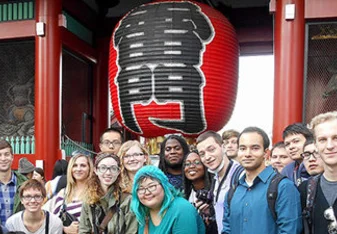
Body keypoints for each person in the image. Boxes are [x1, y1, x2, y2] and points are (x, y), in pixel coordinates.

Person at [222, 126, 302, 234]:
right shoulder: (232, 191)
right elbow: (227, 230)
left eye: (255, 148)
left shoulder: (283, 187)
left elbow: (290, 230)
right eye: (242, 148)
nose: (247, 154)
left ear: (266, 153)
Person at [131, 165, 205, 234]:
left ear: (164, 186)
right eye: (140, 189)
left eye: (151, 186)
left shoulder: (182, 209)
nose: (146, 192)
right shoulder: (143, 213)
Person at [196, 131, 242, 234]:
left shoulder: (241, 175)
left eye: (211, 150)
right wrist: (210, 211)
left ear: (223, 147)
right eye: (202, 154)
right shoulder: (216, 179)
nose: (207, 157)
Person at [79, 152, 138, 234]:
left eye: (113, 168)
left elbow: (132, 231)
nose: (108, 173)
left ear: (118, 171)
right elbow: (84, 230)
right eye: (103, 168)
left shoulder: (128, 200)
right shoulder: (89, 199)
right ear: (96, 170)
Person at [299, 111, 337, 234]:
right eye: (322, 140)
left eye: (336, 138)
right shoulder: (306, 190)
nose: (330, 145)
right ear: (315, 145)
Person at [44, 153, 94, 234]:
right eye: (75, 165)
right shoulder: (63, 193)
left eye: (83, 165)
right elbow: (44, 216)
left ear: (89, 168)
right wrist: (64, 229)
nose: (78, 169)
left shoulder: (96, 194)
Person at [182, 150, 217, 233]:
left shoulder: (216, 191)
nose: (191, 166)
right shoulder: (184, 195)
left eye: (197, 162)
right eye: (187, 164)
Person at [0, 140, 27, 228]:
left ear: (12, 157)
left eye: (6, 154)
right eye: (0, 155)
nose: (3, 158)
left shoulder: (25, 184)